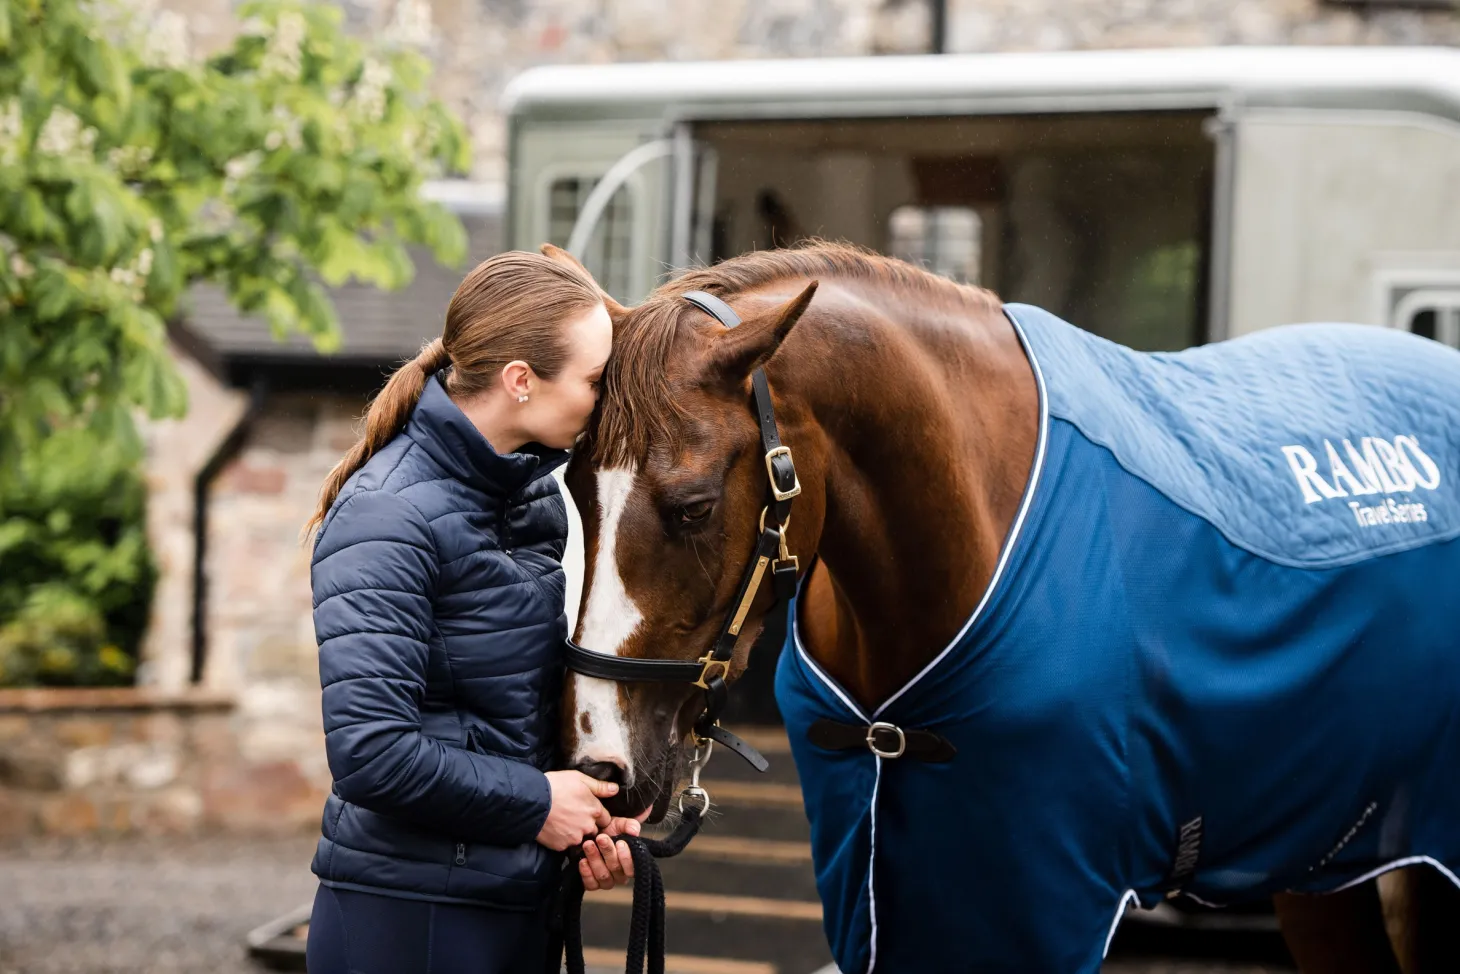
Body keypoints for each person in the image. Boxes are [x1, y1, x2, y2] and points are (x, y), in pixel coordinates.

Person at [301, 250, 640, 974]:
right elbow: (370, 752)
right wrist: (537, 804)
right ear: (521, 380)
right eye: (595, 380)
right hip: (407, 920)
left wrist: (589, 815)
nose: (606, 400)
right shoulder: (386, 514)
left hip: (511, 904)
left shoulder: (532, 496)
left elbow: (504, 711)